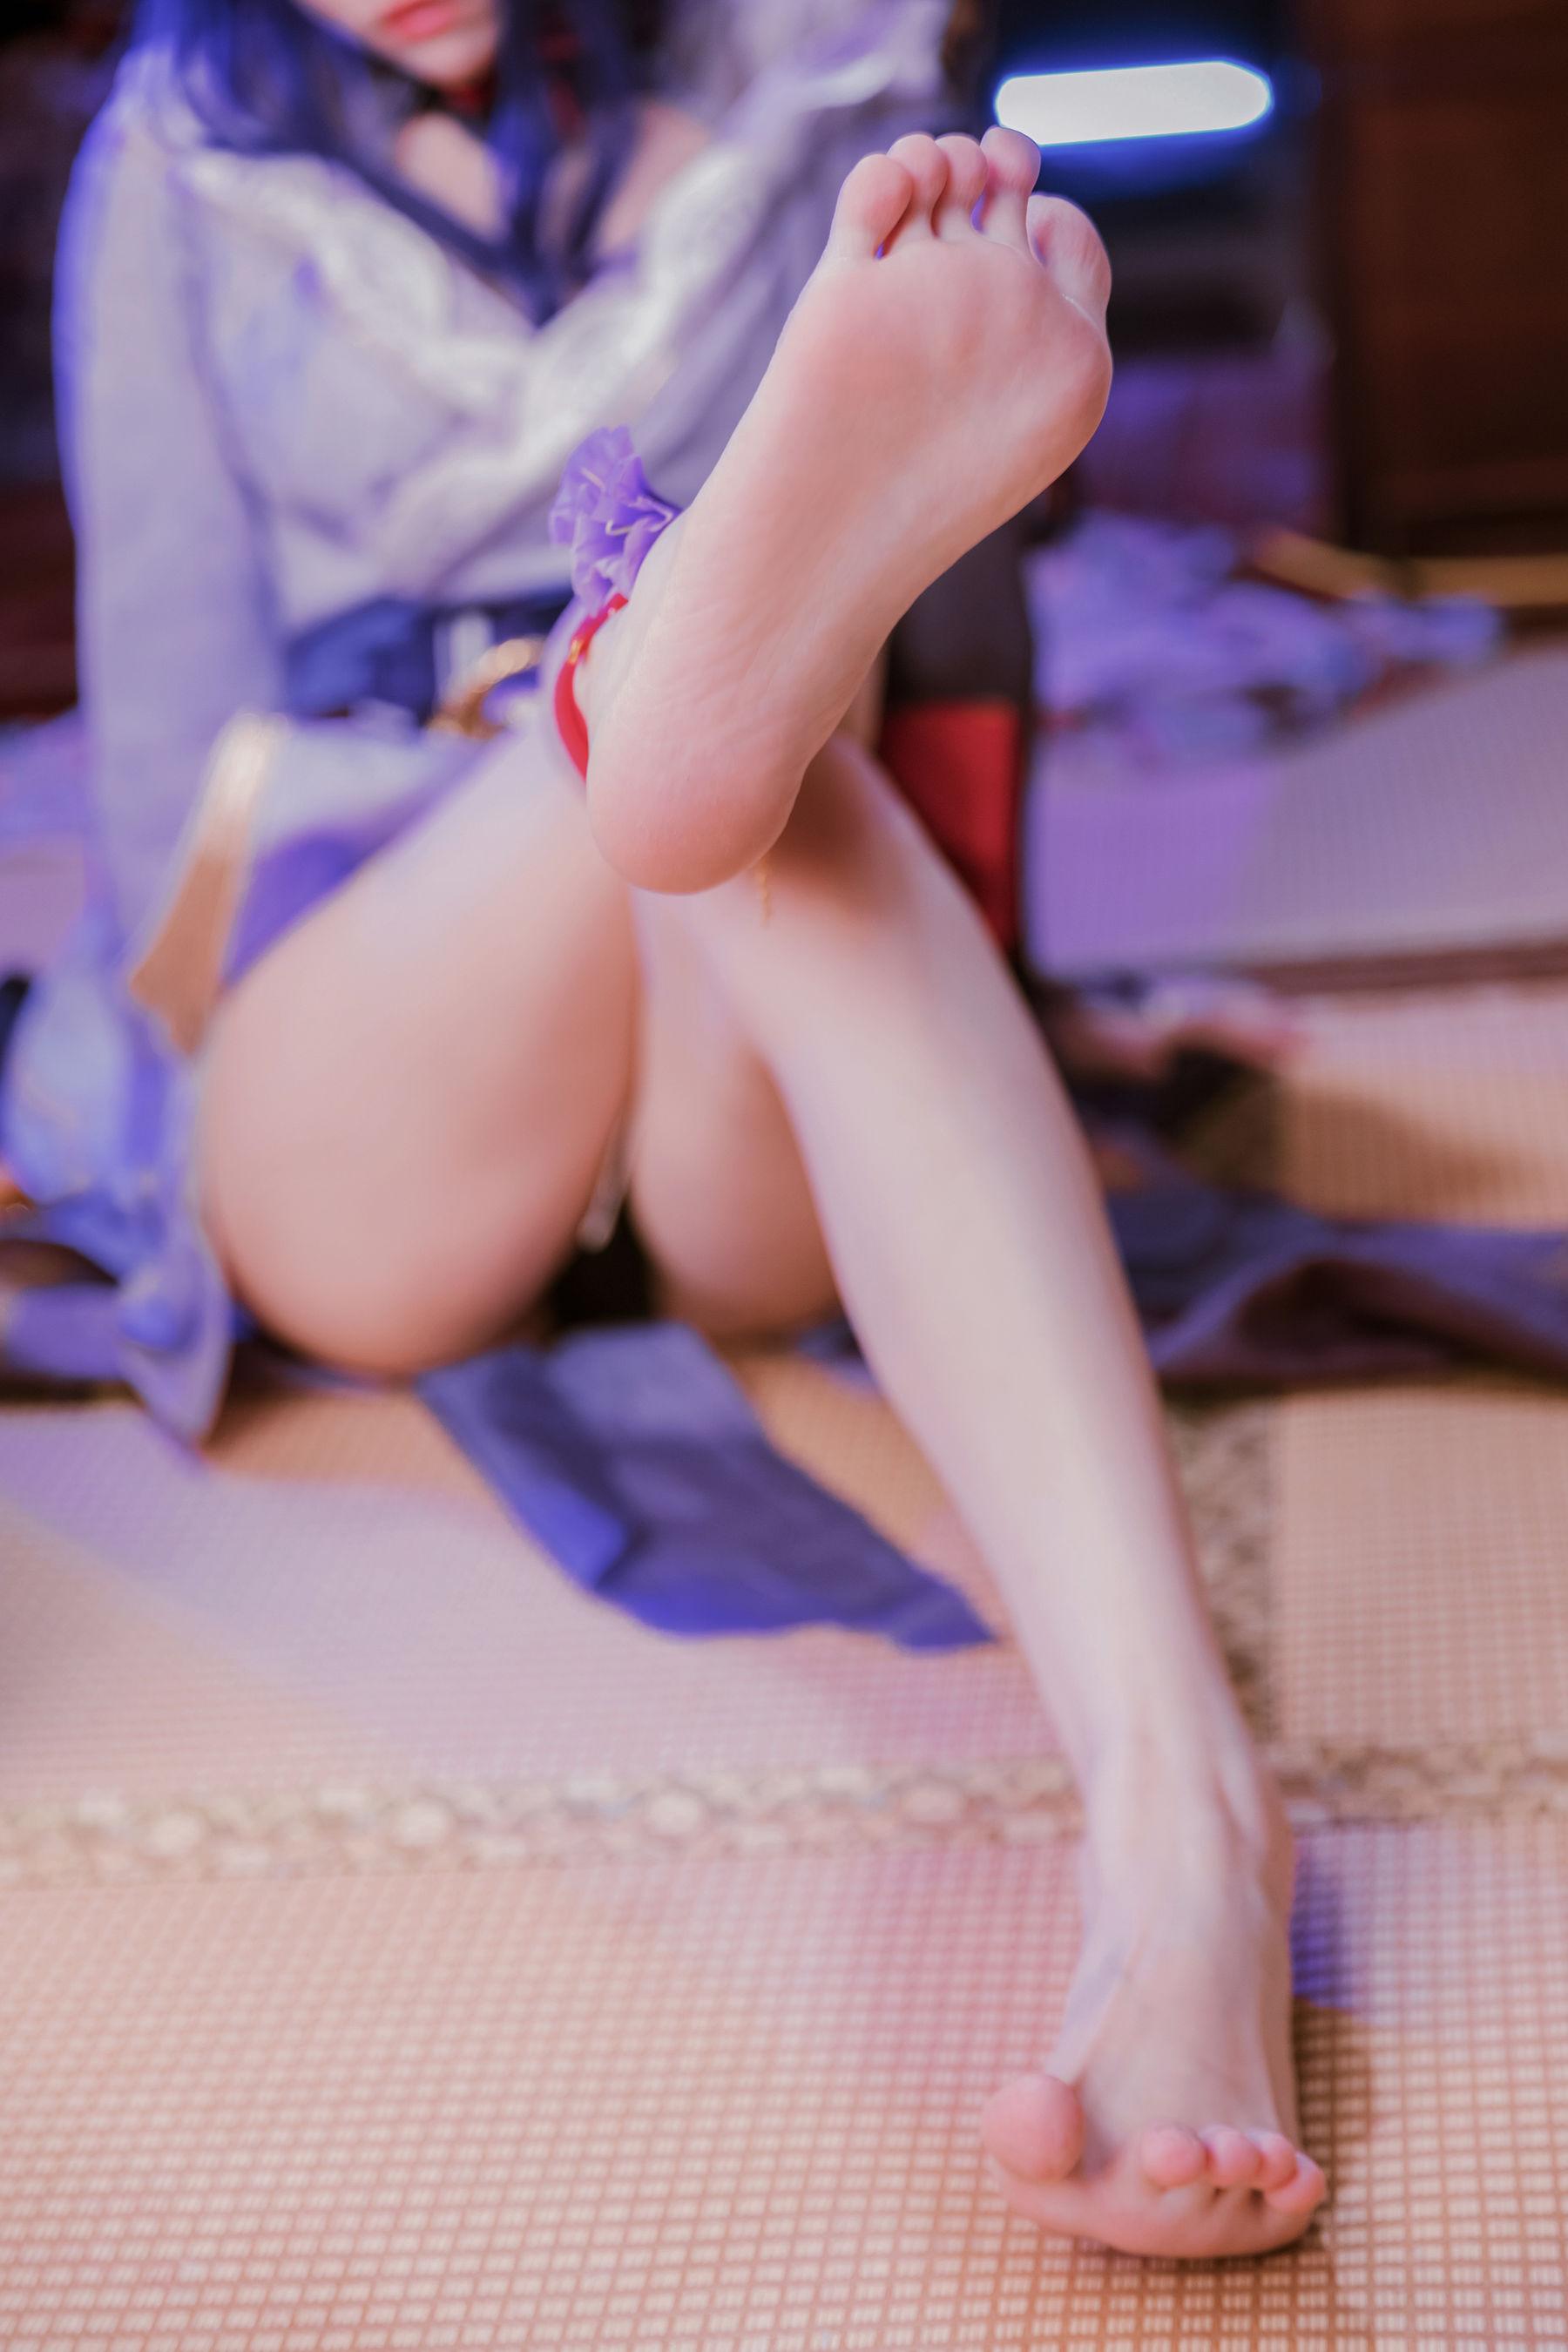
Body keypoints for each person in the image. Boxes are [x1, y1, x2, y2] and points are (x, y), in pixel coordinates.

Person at [3, 0, 1325, 2258]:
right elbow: (170, 807)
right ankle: (653, 657)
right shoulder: (179, 160)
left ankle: (1191, 1861)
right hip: (391, 1018)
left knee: (775, 806)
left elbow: (975, 691)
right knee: (692, 759)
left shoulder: (796, 66)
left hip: (745, 1049)